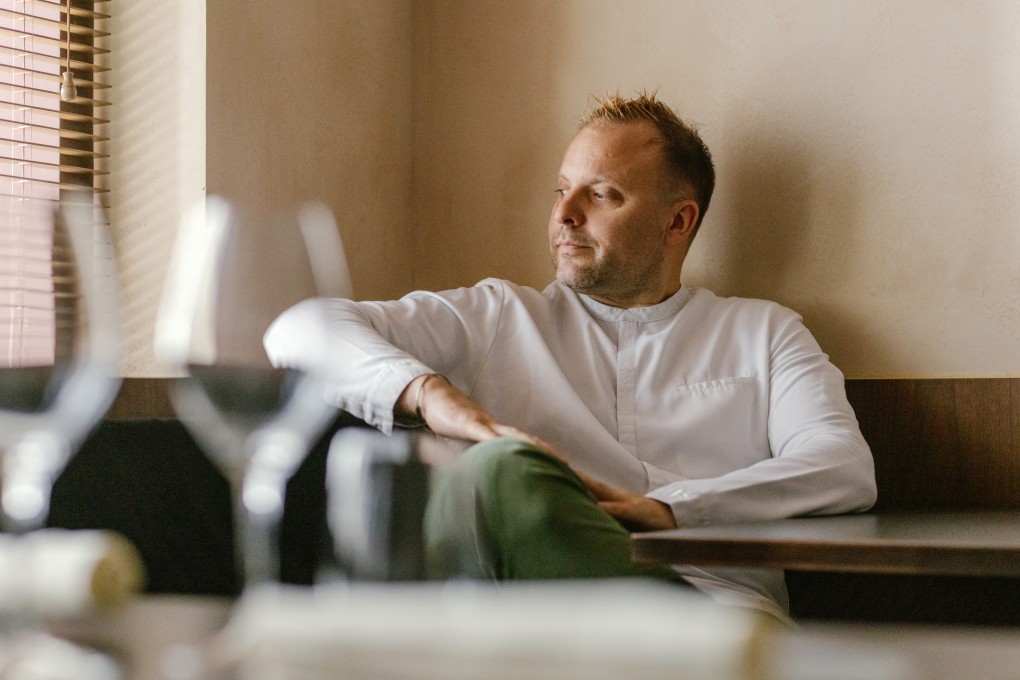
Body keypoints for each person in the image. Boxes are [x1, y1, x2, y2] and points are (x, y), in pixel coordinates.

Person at [263, 93, 877, 622]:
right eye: (561, 190)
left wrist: (671, 509)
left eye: (602, 194)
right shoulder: (500, 316)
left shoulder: (764, 332)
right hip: (549, 630)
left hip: (719, 617)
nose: (564, 214)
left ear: (678, 221)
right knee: (501, 471)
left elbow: (843, 466)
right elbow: (298, 328)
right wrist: (432, 395)